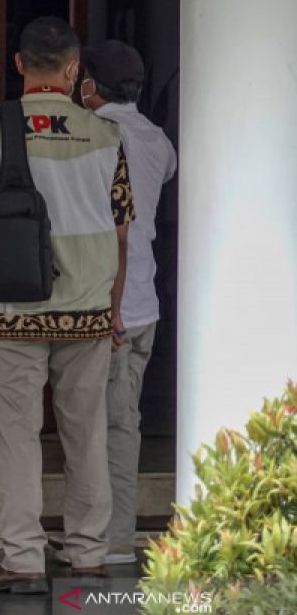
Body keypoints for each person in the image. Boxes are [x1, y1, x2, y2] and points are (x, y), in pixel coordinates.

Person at [0, 17, 134, 594]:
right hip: (87, 309)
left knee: (18, 436)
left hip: (12, 311)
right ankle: (87, 555)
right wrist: (114, 307)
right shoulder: (106, 136)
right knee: (87, 436)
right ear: (74, 69)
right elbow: (121, 231)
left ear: (18, 65)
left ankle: (25, 560)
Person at [78, 40, 177, 565]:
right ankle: (97, 533)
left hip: (109, 305)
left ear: (90, 84)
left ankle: (112, 540)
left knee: (108, 428)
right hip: (144, 301)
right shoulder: (158, 140)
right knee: (118, 422)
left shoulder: (97, 136)